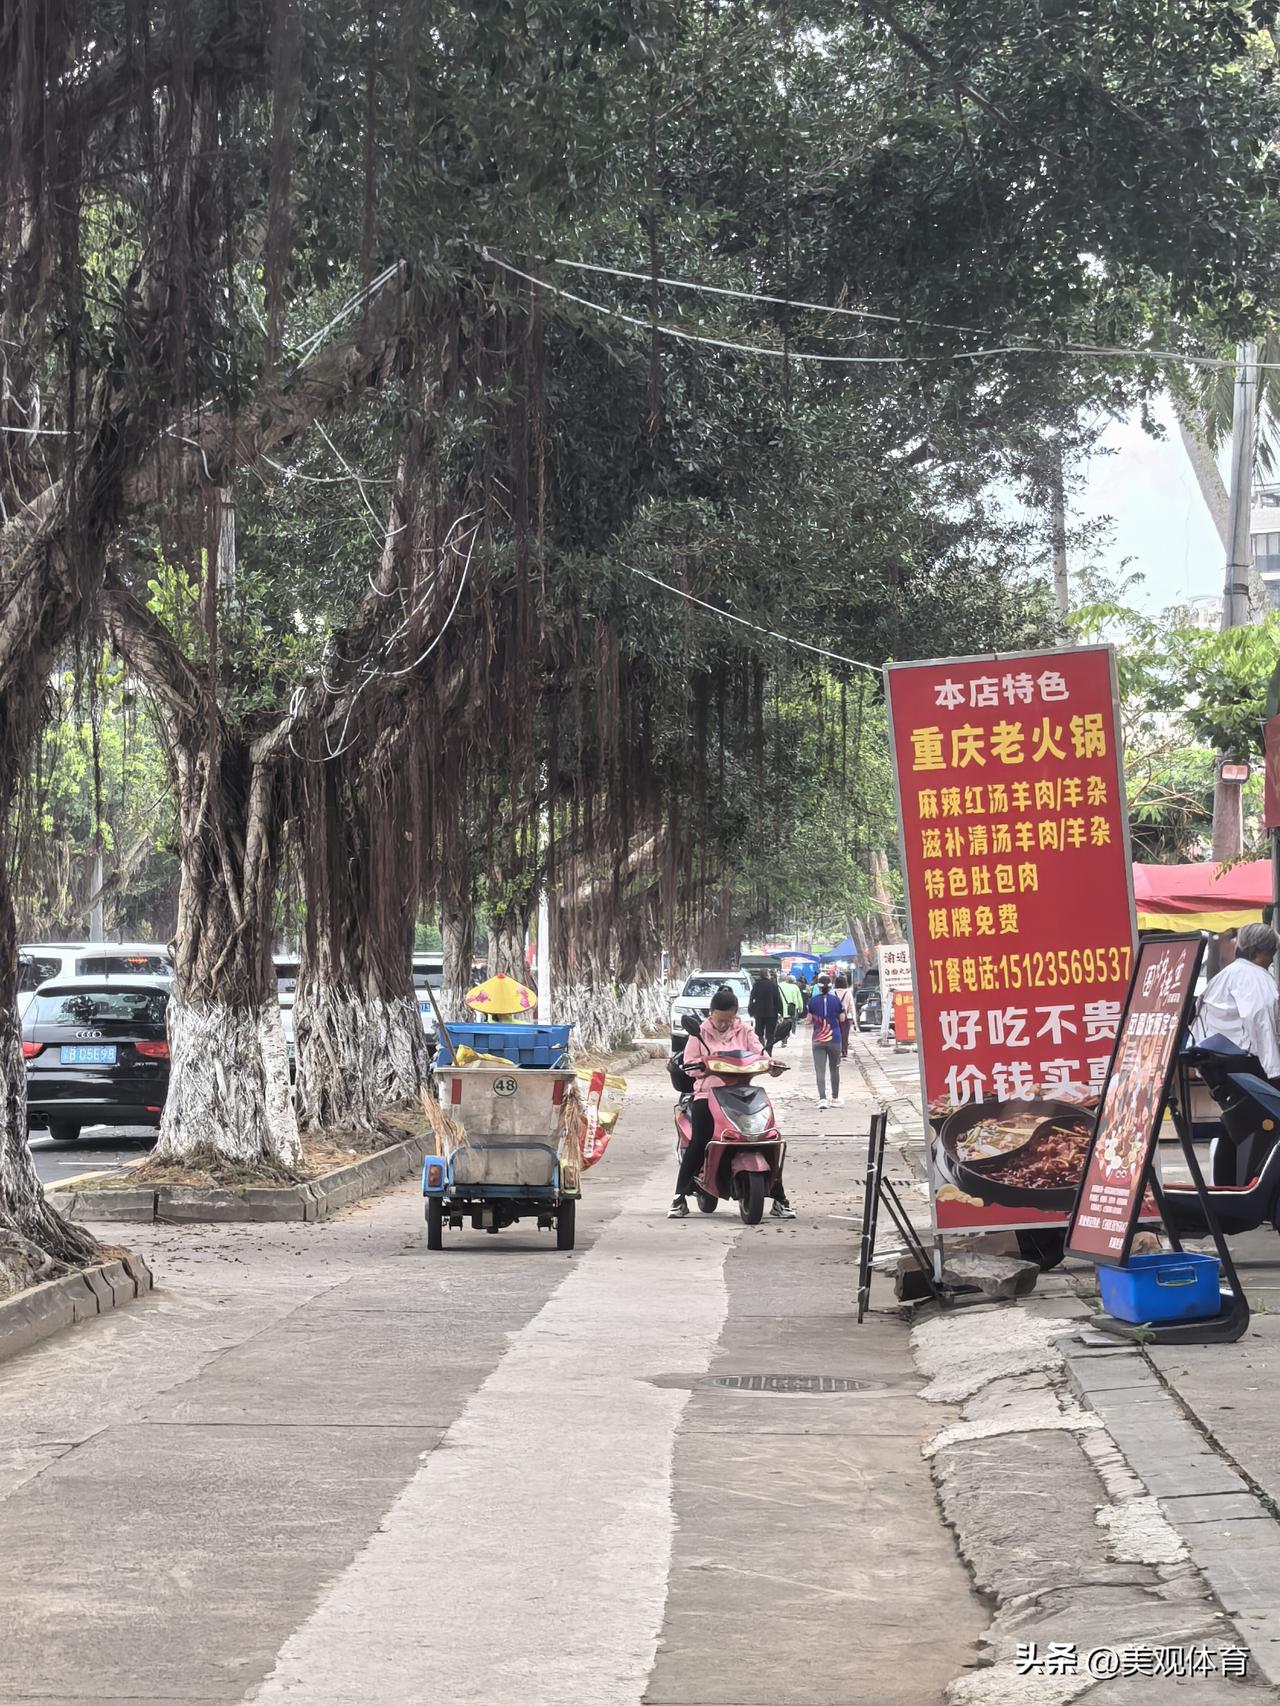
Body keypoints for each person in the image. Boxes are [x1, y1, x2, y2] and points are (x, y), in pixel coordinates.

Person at [670, 985, 795, 1219]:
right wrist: (700, 1066)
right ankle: (679, 1198)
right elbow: (689, 1063)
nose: (724, 1024)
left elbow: (760, 1054)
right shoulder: (699, 1033)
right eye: (720, 1019)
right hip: (708, 1095)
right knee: (700, 1141)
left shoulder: (745, 1031)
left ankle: (779, 1198)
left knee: (767, 1138)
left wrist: (771, 1065)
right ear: (711, 1013)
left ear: (736, 1015)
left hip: (743, 1094)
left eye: (729, 1019)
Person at [1192, 922, 1280, 1081]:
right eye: (1270, 954)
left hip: (1214, 1063)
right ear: (1256, 952)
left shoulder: (1223, 976)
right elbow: (1261, 1019)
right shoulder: (1256, 977)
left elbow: (1201, 1014)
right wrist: (1274, 1070)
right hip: (1247, 1065)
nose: (1272, 961)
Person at [807, 974, 844, 1109]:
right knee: (835, 1069)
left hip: (818, 1039)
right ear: (830, 986)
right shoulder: (836, 1001)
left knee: (820, 1070)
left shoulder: (812, 1001)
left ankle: (822, 1098)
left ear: (818, 987)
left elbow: (809, 1020)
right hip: (834, 1038)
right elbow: (842, 1019)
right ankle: (835, 1098)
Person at [748, 968, 784, 1054]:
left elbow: (752, 998)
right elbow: (778, 999)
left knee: (759, 1033)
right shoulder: (773, 985)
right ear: (768, 975)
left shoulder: (756, 985)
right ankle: (768, 1050)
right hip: (771, 1013)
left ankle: (761, 1049)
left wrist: (751, 1010)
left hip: (759, 1013)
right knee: (770, 1034)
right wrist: (781, 1012)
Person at [834, 973, 855, 1059]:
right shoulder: (848, 993)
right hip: (847, 1017)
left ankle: (836, 1051)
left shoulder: (832, 992)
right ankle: (844, 1051)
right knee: (845, 1035)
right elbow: (852, 1006)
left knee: (835, 1034)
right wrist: (854, 1020)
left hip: (835, 1017)